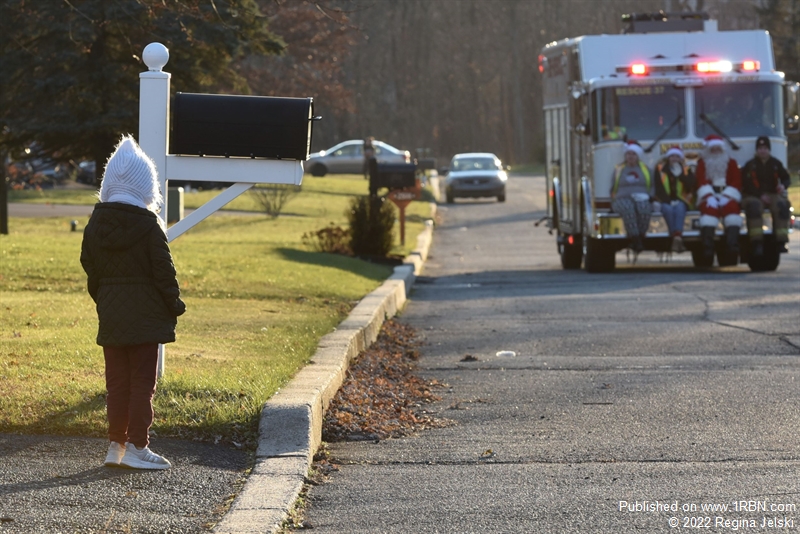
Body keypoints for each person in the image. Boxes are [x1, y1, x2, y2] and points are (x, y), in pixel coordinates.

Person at [80, 135, 186, 470]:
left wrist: (104, 298)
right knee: (142, 383)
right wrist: (174, 305)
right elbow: (163, 271)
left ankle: (116, 445)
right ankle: (139, 447)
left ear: (109, 183)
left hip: (111, 315)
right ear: (147, 188)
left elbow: (90, 266)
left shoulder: (96, 223)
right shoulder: (149, 225)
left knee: (117, 384)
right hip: (147, 317)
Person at [740, 136, 791, 255]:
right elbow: (746, 184)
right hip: (753, 195)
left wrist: (783, 186)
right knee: (754, 207)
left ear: (769, 150)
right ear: (756, 150)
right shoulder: (750, 165)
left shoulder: (776, 163)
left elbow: (786, 178)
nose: (762, 151)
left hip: (772, 194)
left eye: (765, 148)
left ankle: (781, 241)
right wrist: (760, 195)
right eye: (760, 148)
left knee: (782, 205)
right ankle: (757, 242)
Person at [695, 134, 743, 260]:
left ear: (722, 149)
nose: (716, 151)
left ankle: (732, 245)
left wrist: (727, 196)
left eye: (718, 148)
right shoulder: (702, 163)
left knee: (732, 210)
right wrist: (708, 196)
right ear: (708, 150)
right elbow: (701, 180)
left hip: (727, 194)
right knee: (709, 212)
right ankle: (707, 247)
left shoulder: (731, 162)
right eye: (713, 149)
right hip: (709, 195)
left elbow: (736, 181)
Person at [610, 140, 654, 253]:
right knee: (628, 209)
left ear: (638, 156)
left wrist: (651, 198)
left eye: (634, 154)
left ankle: (640, 236)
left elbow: (652, 186)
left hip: (642, 197)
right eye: (628, 154)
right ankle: (636, 240)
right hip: (621, 198)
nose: (631, 157)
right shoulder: (619, 169)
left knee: (644, 209)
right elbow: (612, 187)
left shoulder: (645, 170)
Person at [653, 146, 695, 253]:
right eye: (672, 156)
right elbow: (658, 187)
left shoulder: (686, 169)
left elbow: (691, 185)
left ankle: (676, 236)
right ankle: (677, 237)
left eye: (677, 156)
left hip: (682, 199)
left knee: (680, 209)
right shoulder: (660, 169)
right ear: (668, 158)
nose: (674, 158)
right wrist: (667, 201)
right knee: (668, 210)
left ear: (680, 158)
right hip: (665, 200)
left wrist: (681, 175)